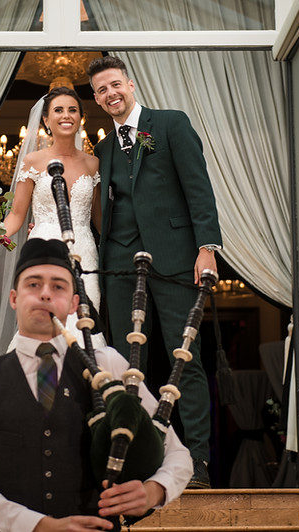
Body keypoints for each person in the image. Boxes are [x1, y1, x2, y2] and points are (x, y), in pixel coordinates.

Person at [0, 238, 192, 532]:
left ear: (74, 303)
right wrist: (42, 526)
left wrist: (154, 490)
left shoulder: (108, 366)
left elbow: (177, 455)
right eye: (33, 284)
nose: (45, 294)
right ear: (13, 298)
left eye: (58, 286)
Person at [88, 56, 223, 489]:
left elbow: (198, 188)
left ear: (129, 84)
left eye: (115, 85)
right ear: (97, 99)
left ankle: (198, 462)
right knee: (130, 368)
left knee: (188, 360)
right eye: (101, 91)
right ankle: (141, 461)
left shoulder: (169, 125)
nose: (111, 94)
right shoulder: (104, 150)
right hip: (121, 268)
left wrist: (207, 249)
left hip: (177, 259)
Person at [0, 86, 105, 363]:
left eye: (73, 110)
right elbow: (16, 214)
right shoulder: (33, 161)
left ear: (81, 118)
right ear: (46, 120)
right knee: (42, 321)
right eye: (59, 110)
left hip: (85, 255)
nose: (66, 115)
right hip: (43, 250)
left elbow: (99, 219)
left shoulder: (94, 164)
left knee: (84, 323)